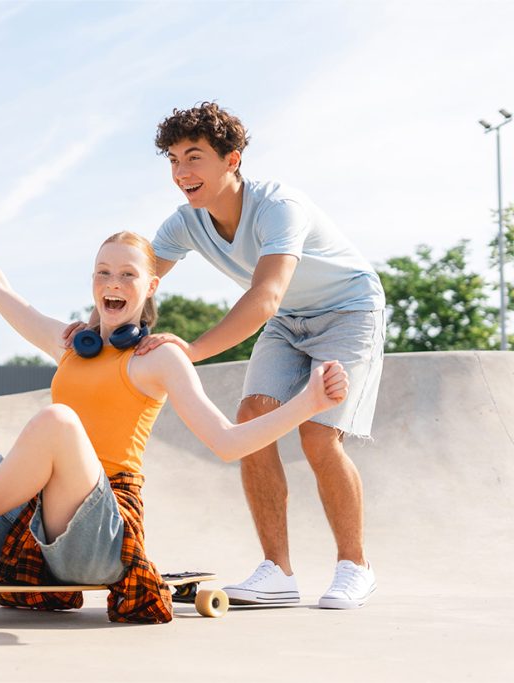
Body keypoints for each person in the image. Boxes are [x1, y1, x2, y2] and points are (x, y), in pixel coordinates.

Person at [0, 187, 348, 623]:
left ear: (150, 287)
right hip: (32, 525)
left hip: (102, 535)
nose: (112, 284)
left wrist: (305, 402)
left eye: (126, 275)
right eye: (102, 273)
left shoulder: (159, 358)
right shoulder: (73, 344)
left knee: (57, 420)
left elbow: (228, 443)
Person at [111, 102, 383, 610]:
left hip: (347, 309)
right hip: (288, 323)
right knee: (253, 415)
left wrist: (188, 351)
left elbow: (265, 297)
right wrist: (93, 328)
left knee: (318, 432)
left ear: (231, 160)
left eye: (194, 157)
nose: (182, 172)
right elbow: (134, 281)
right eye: (172, 160)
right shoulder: (185, 222)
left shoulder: (279, 206)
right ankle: (276, 571)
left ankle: (355, 565)